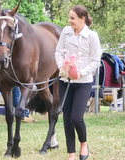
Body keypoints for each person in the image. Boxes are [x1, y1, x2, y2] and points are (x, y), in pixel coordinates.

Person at [54, 5, 100, 160]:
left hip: (83, 82)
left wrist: (80, 72)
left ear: (83, 19)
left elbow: (95, 61)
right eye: (69, 17)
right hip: (65, 81)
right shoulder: (66, 32)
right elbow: (58, 52)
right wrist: (61, 68)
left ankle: (84, 143)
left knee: (76, 118)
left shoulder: (92, 36)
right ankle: (71, 154)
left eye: (72, 18)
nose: (69, 20)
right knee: (67, 119)